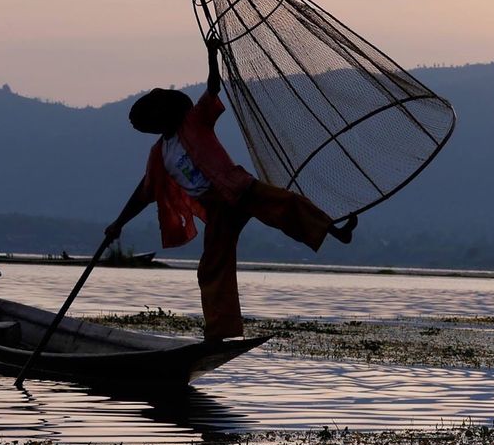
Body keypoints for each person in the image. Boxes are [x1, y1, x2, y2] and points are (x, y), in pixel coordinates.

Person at [105, 35, 357, 341]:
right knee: (211, 268)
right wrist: (118, 223)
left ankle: (334, 230)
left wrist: (212, 54)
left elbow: (213, 89)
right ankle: (220, 332)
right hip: (217, 208)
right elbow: (144, 193)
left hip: (237, 187)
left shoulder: (194, 121)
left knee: (285, 204)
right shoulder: (159, 154)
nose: (154, 124)